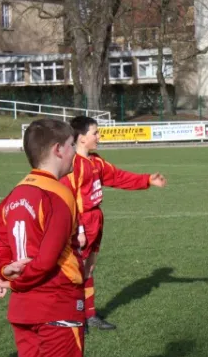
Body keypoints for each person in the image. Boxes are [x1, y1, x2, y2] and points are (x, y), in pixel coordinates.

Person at [0, 118, 86, 357]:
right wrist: (16, 280)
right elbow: (46, 260)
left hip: (22, 310)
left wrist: (4, 270)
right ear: (58, 149)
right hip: (56, 303)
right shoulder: (59, 194)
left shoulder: (12, 195)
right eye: (72, 145)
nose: (75, 151)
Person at [61, 116, 167, 330]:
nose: (99, 137)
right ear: (81, 138)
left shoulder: (96, 161)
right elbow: (68, 199)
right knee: (74, 271)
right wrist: (78, 229)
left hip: (96, 219)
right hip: (81, 223)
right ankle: (73, 316)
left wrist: (147, 180)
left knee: (89, 268)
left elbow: (118, 177)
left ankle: (89, 315)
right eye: (95, 133)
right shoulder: (72, 165)